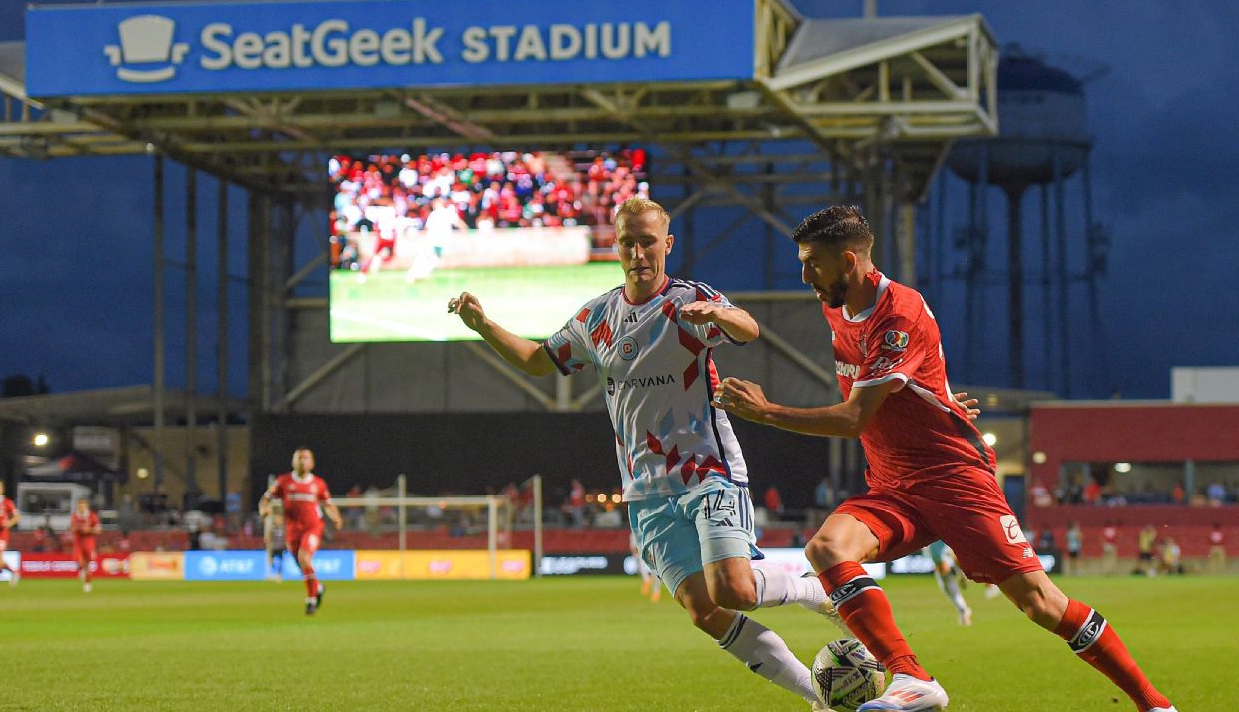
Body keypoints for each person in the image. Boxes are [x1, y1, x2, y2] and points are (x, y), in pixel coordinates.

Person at [712, 205, 1175, 712]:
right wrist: (940, 398)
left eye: (812, 264)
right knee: (827, 548)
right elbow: (918, 378)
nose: (805, 277)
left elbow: (852, 419)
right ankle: (913, 678)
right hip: (893, 486)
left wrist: (765, 411)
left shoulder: (898, 314)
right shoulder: (836, 305)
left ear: (849, 261)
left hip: (955, 481)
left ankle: (1154, 704)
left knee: (1041, 603)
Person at [448, 197, 843, 707]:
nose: (638, 252)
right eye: (628, 242)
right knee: (705, 611)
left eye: (648, 241)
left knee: (735, 590)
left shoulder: (687, 301)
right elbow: (538, 361)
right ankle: (818, 696)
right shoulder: (597, 318)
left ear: (667, 244)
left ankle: (813, 590)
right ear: (616, 247)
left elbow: (747, 329)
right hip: (645, 491)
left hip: (708, 472)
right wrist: (484, 325)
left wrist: (718, 312)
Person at [259, 447, 344, 615]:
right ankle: (317, 587)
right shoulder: (283, 481)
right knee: (301, 563)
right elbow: (265, 499)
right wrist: (264, 509)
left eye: (305, 458)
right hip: (292, 530)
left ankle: (311, 600)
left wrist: (336, 517)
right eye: (299, 458)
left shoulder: (318, 484)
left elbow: (328, 503)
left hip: (312, 527)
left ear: (312, 463)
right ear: (293, 461)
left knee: (304, 558)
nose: (302, 461)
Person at [922, 540, 971, 626]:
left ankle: (963, 610)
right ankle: (963, 610)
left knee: (945, 576)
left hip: (941, 553)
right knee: (946, 582)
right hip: (939, 552)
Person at [69, 498, 101, 593]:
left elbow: (98, 530)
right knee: (79, 561)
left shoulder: (92, 516)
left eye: (83, 505)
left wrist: (89, 530)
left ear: (86, 506)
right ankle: (81, 569)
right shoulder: (75, 516)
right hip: (78, 541)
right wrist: (77, 528)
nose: (82, 507)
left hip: (88, 541)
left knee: (88, 564)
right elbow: (72, 528)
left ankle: (87, 583)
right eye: (80, 505)